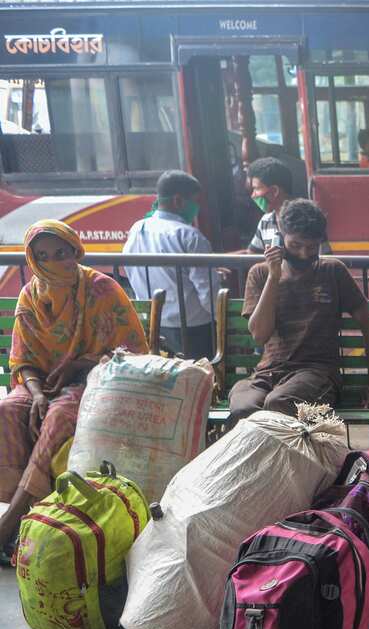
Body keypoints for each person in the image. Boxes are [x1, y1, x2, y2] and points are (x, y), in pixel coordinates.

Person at [0, 221, 148, 563]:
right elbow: (22, 360)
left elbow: (134, 353)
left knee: (58, 416)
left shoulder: (102, 288)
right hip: (42, 383)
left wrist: (79, 364)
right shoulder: (30, 296)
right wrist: (36, 393)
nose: (54, 262)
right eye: (43, 256)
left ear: (75, 250)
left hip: (94, 379)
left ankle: (10, 523)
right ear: (33, 260)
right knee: (8, 409)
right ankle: (20, 516)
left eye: (61, 253)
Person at [228, 199, 369, 424]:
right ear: (280, 237)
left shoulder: (332, 271)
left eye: (312, 247)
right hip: (269, 373)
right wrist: (274, 276)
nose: (304, 254)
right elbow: (260, 335)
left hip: (317, 374)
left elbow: (368, 327)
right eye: (295, 245)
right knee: (243, 408)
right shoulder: (261, 274)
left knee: (278, 403)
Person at [121, 170, 216, 359]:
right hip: (193, 327)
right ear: (179, 201)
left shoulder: (138, 228)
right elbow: (208, 293)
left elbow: (131, 271)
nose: (197, 208)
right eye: (195, 202)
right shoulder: (189, 235)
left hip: (154, 322)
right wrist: (219, 318)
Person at [245, 157, 331, 254]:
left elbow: (325, 261)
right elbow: (251, 255)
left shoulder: (309, 218)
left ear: (274, 191)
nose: (253, 195)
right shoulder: (266, 221)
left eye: (256, 189)